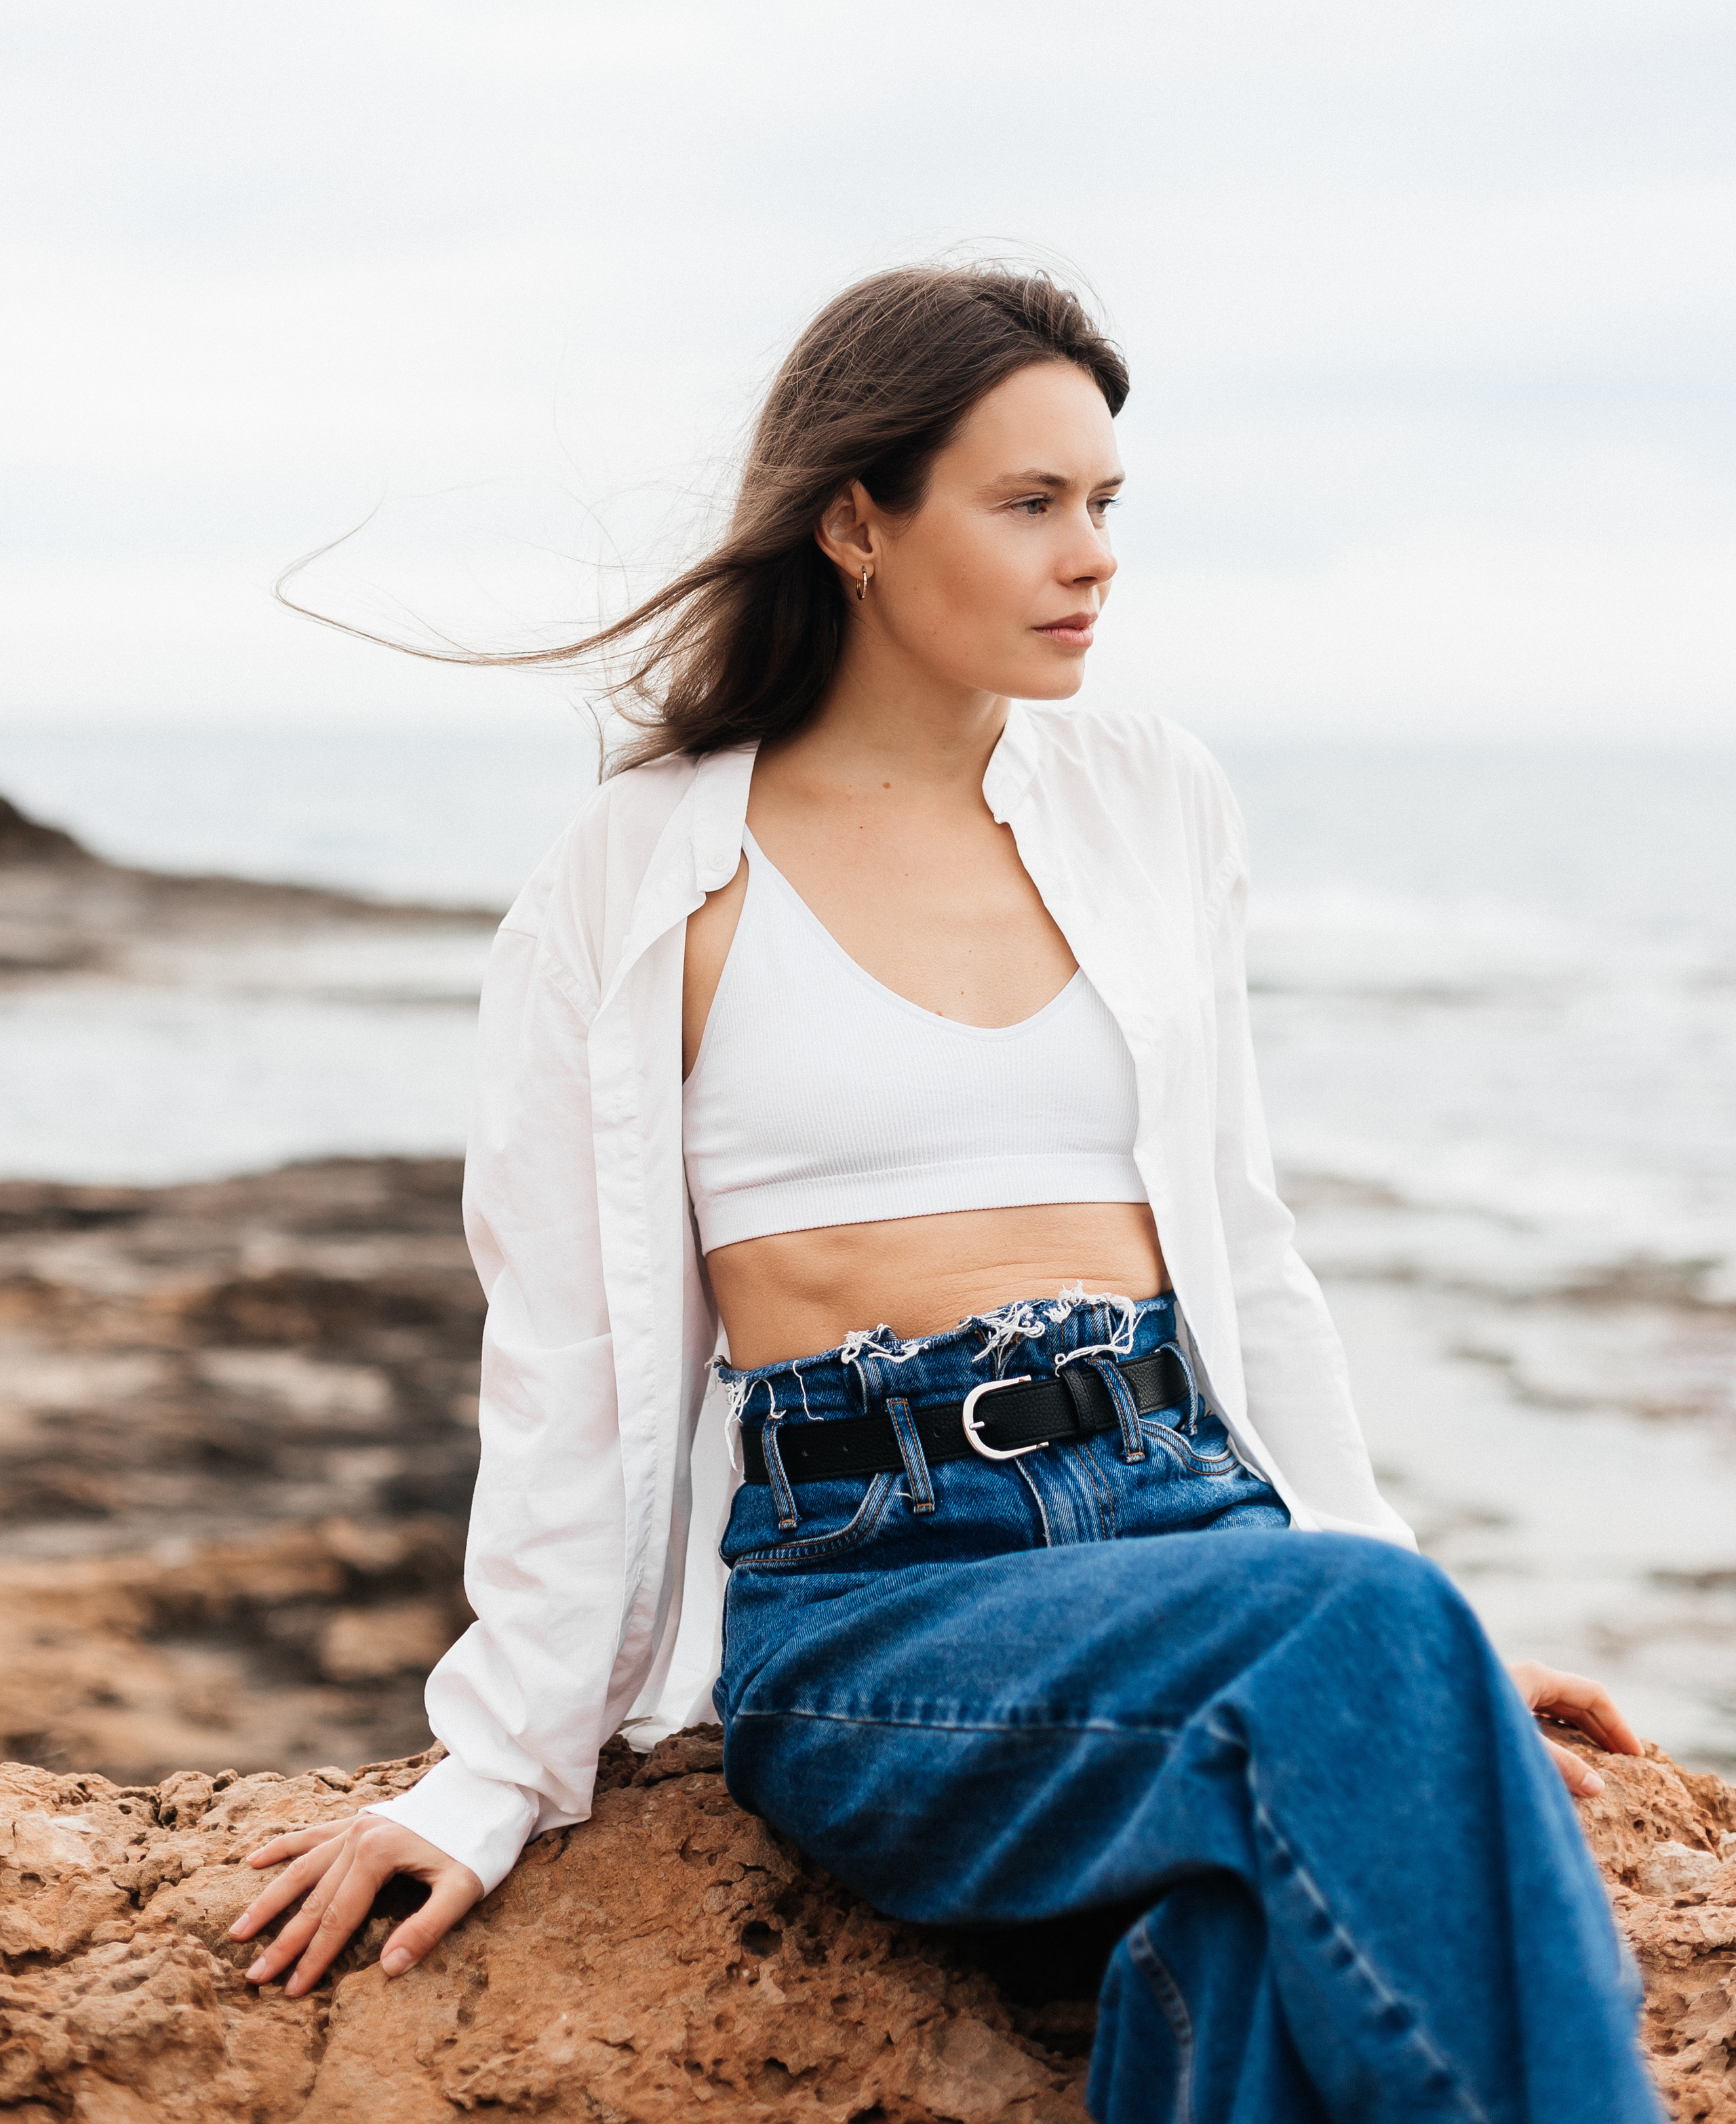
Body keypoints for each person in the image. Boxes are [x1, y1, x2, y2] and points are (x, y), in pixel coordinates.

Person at [231, 265, 1660, 2120]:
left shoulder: (1154, 799)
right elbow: (569, 1351)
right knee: (1370, 1650)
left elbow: (1243, 1242)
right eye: (1030, 503)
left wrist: (1415, 1680)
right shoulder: (645, 870)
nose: (1095, 557)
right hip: (882, 1604)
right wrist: (491, 1769)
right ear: (855, 520)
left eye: (1107, 504)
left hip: (1197, 1523)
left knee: (1226, 1952)